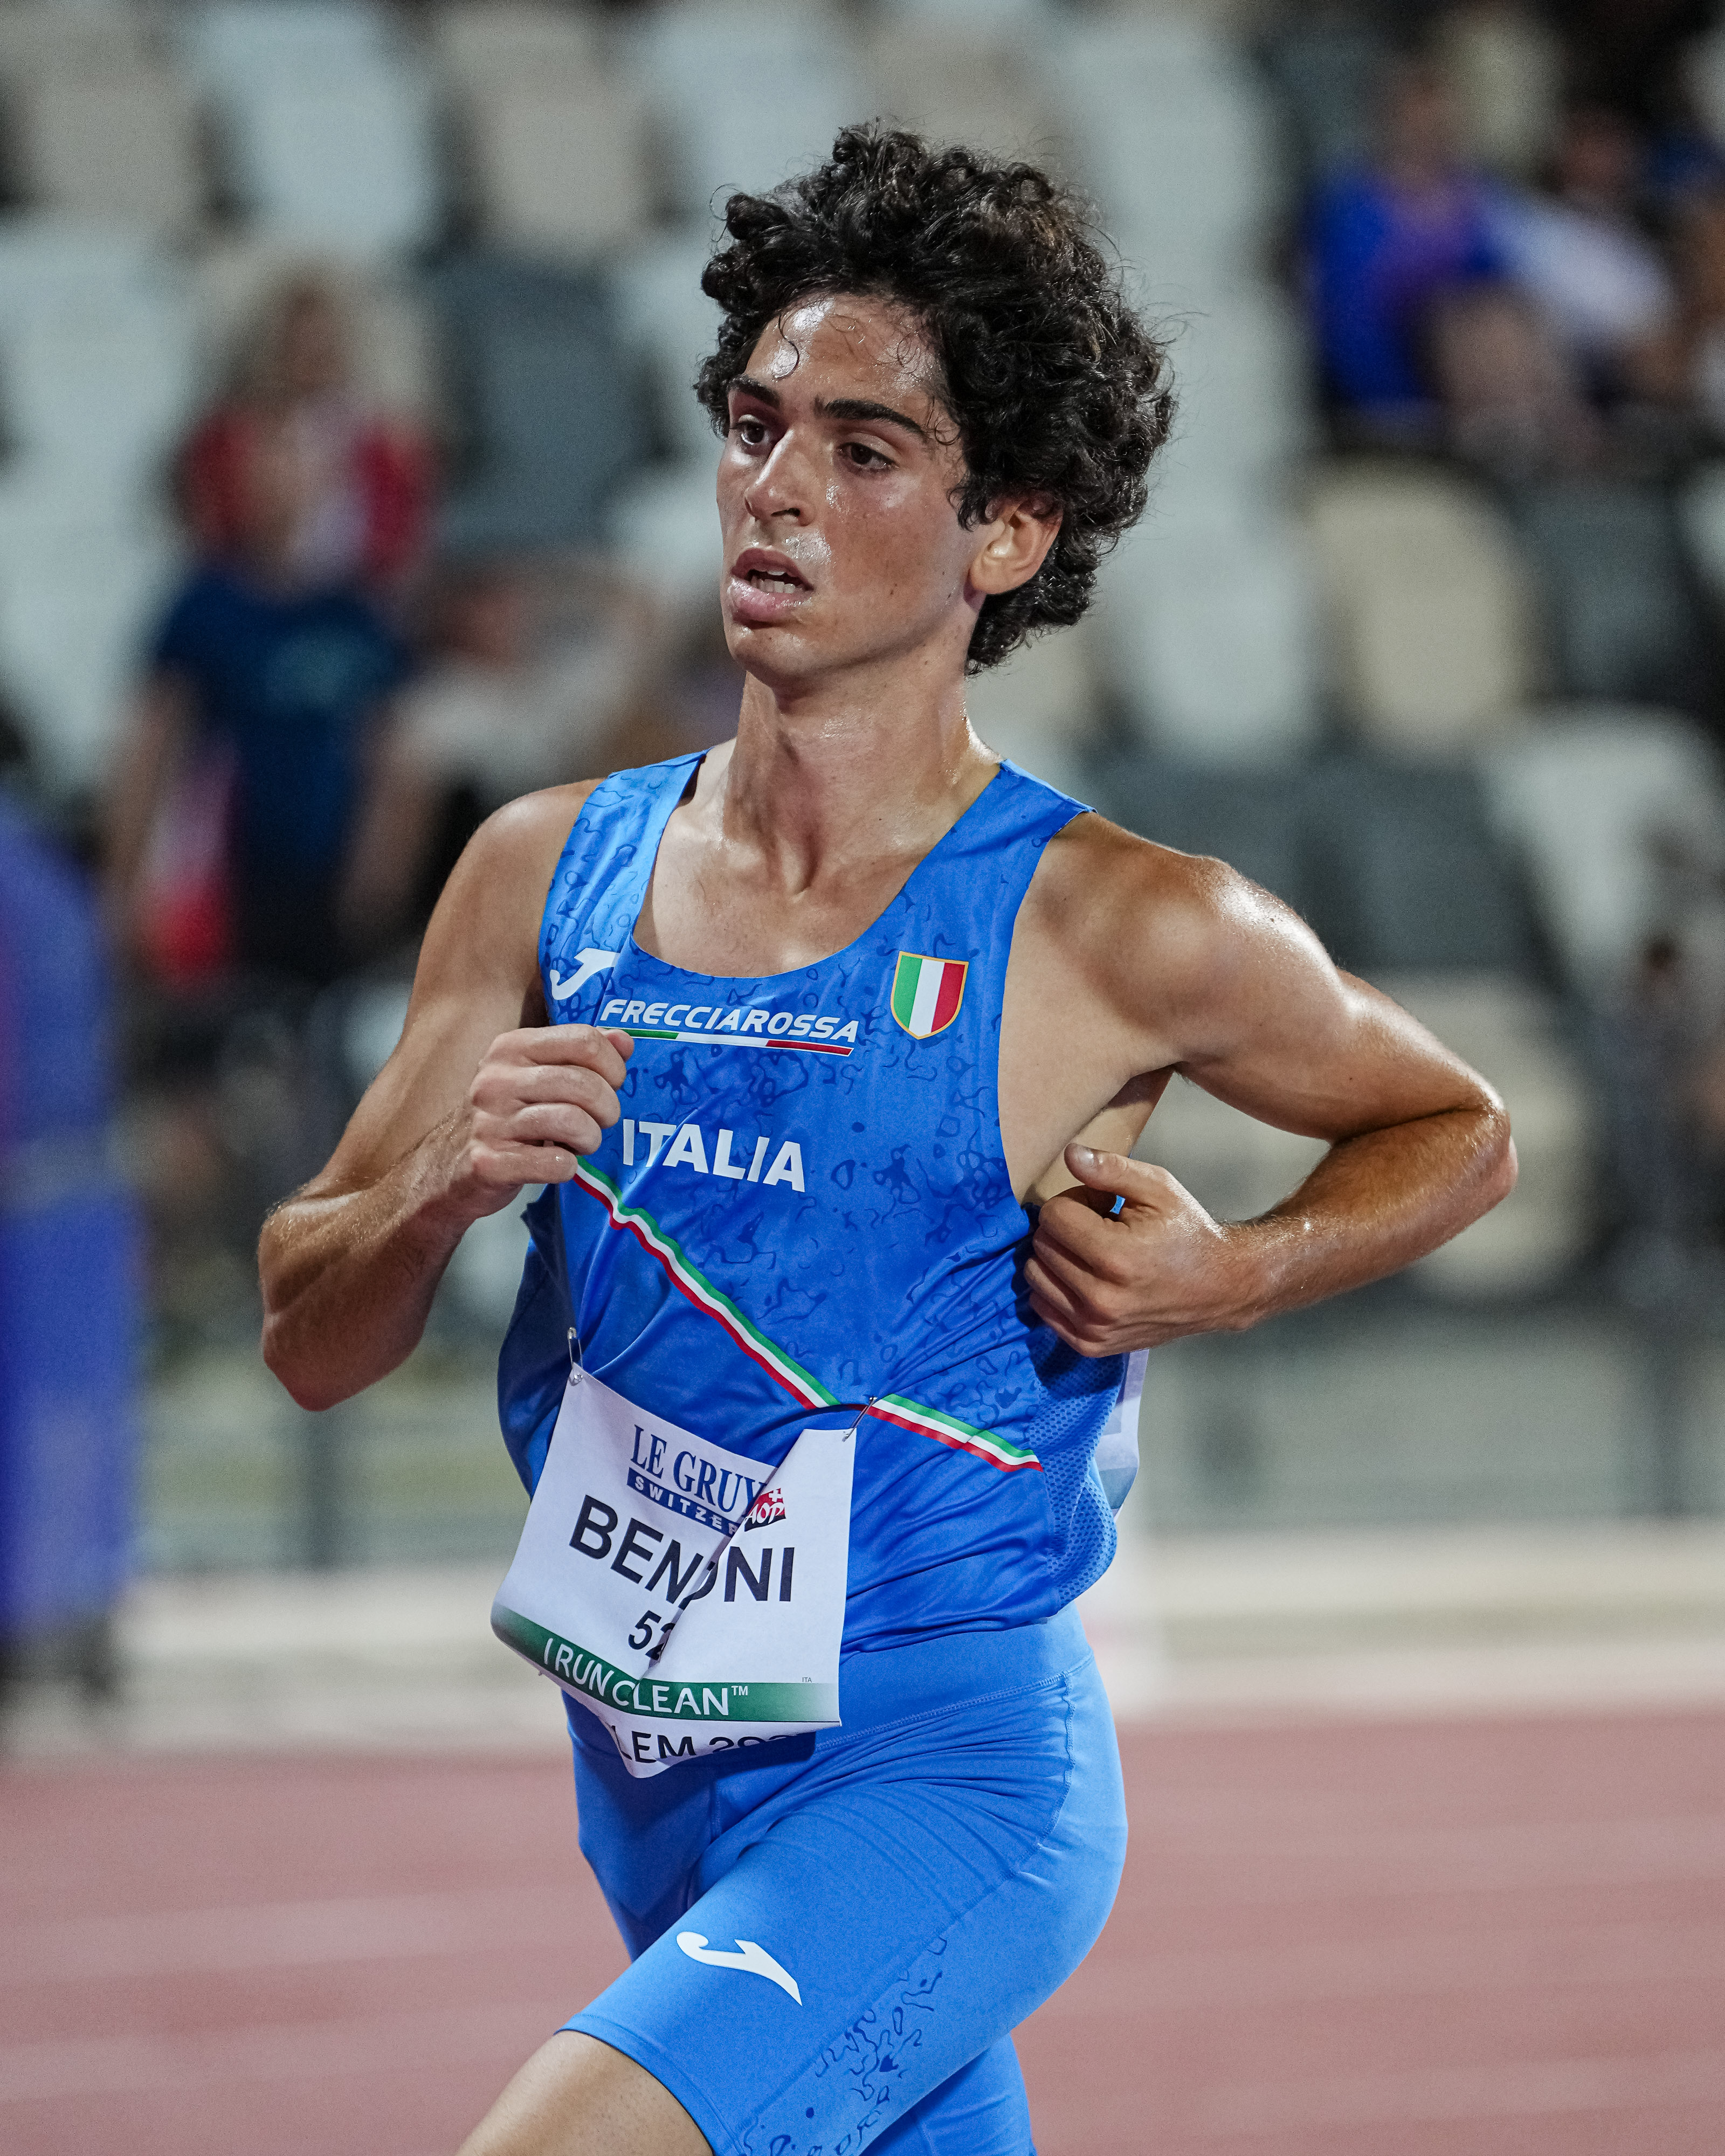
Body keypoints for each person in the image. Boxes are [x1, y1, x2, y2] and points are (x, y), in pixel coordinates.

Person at [258, 129, 1515, 2156]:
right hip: (650, 1771)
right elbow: (306, 1337)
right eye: (755, 426)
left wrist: (1231, 1273)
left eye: (861, 451)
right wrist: (436, 1191)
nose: (773, 487)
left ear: (1003, 528)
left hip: (941, 1775)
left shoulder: (1118, 922)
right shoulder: (538, 873)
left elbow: (1455, 1123)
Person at [106, 413, 411, 987]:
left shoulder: (355, 614)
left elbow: (388, 752)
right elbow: (152, 748)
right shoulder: (205, 607)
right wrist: (125, 883)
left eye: (296, 468)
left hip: (330, 869)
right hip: (230, 875)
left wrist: (379, 869)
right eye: (264, 469)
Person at [1307, 56, 1507, 426]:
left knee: (1493, 318)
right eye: (1418, 118)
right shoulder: (1351, 205)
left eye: (1440, 118)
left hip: (1476, 367)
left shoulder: (1475, 193)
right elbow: (1348, 324)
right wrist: (1399, 404)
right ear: (1389, 119)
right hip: (1396, 383)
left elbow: (1500, 288)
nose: (1430, 130)